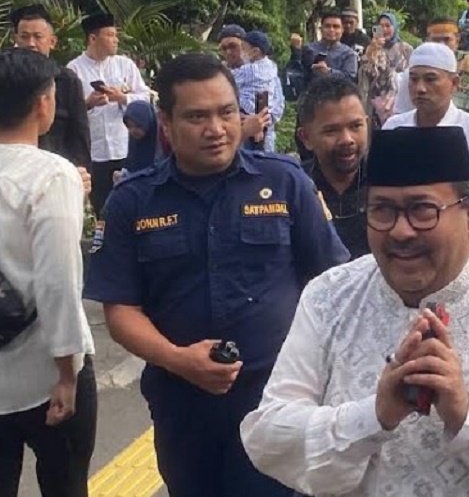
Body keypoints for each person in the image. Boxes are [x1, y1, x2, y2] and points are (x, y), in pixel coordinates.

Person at [239, 126, 469, 496]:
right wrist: (373, 416)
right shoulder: (329, 297)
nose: (400, 231)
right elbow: (267, 436)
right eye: (382, 210)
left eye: (422, 210)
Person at [83, 53, 350, 497]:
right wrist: (177, 359)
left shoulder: (285, 183)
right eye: (197, 116)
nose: (217, 128)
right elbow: (121, 309)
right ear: (165, 122)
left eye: (227, 112)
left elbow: (334, 286)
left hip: (278, 402)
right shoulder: (133, 201)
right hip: (183, 405)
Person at [0, 49, 96, 497]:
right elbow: (58, 280)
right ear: (43, 104)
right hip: (45, 377)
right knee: (65, 485)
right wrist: (68, 373)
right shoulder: (53, 175)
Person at [384, 44, 469, 193]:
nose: (420, 88)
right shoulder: (393, 130)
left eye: (430, 79)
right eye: (414, 79)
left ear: (454, 83)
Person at [67, 12, 151, 213]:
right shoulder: (74, 69)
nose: (116, 40)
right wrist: (88, 103)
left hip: (125, 147)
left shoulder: (125, 65)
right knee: (103, 208)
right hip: (95, 153)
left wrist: (122, 98)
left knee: (133, 203)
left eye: (116, 35)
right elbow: (69, 111)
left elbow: (146, 98)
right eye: (110, 35)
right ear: (93, 38)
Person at [298, 75, 371, 259]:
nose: (347, 139)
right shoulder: (295, 188)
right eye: (332, 131)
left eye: (356, 126)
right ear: (306, 137)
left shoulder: (389, 183)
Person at [11, 5, 90, 170]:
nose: (31, 44)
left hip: (59, 173)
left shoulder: (67, 80)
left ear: (52, 41)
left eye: (38, 37)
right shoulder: (6, 78)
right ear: (16, 39)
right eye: (24, 37)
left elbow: (79, 134)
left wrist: (78, 173)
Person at [394, 19, 469, 122]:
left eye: (447, 39)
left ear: (457, 40)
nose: (442, 45)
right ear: (427, 41)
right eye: (435, 40)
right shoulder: (413, 74)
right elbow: (401, 114)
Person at [359, 11, 412, 128]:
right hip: (376, 103)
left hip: (399, 102)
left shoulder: (406, 49)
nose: (384, 29)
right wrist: (371, 51)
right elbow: (365, 73)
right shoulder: (372, 48)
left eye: (388, 26)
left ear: (395, 27)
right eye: (381, 26)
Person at [236, 30, 285, 153]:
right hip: (267, 120)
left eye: (243, 48)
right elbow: (278, 102)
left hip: (246, 118)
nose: (241, 52)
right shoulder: (272, 67)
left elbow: (228, 80)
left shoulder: (249, 70)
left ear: (255, 52)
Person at [291, 9, 359, 85]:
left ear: (342, 30)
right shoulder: (308, 48)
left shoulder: (349, 54)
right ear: (321, 29)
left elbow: (350, 79)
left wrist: (328, 72)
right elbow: (296, 72)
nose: (331, 30)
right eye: (327, 26)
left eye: (336, 27)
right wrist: (296, 50)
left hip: (338, 95)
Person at [121, 100, 164, 175]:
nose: (133, 131)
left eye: (138, 126)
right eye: (129, 126)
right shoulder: (134, 144)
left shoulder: (163, 143)